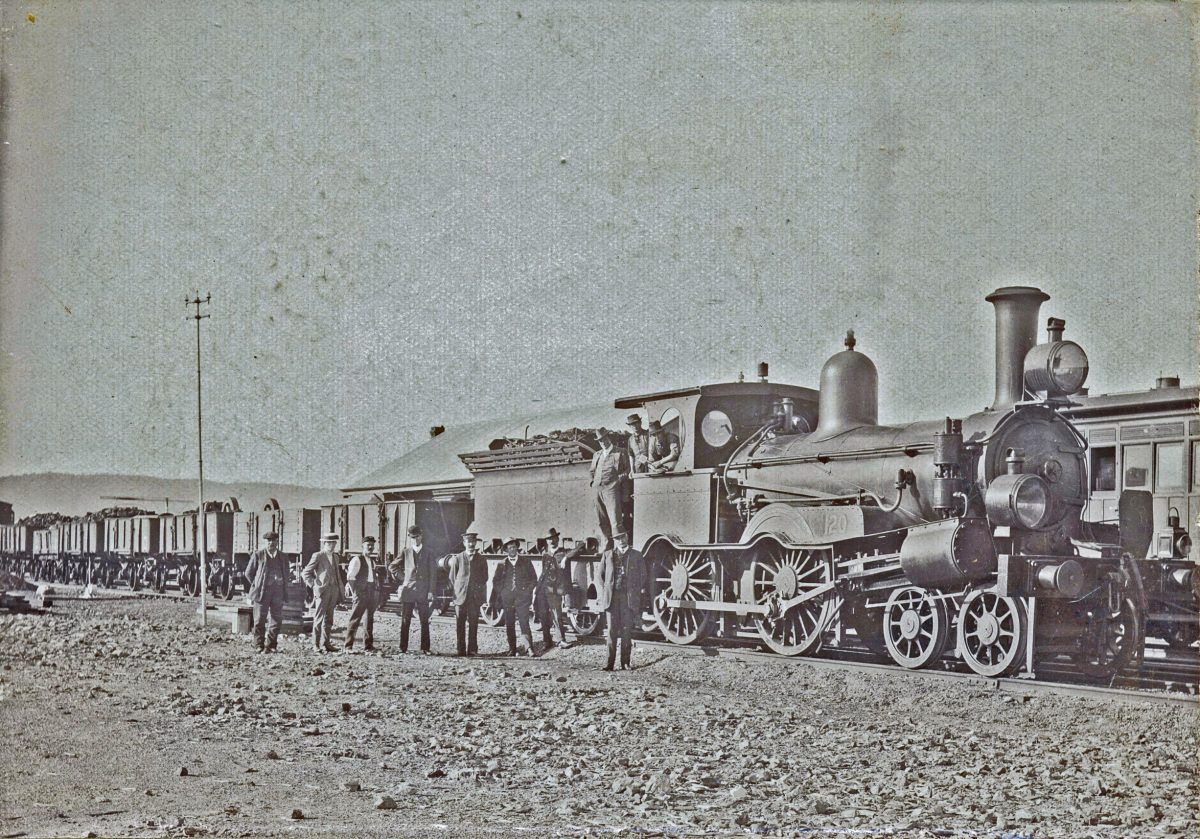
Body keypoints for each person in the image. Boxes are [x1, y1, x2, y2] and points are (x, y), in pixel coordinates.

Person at [596, 531, 645, 671]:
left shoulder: (636, 555)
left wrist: (634, 591)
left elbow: (643, 576)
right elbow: (600, 576)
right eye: (618, 538)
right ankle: (608, 664)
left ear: (627, 537)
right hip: (612, 598)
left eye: (623, 537)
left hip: (628, 599)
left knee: (626, 630)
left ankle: (625, 663)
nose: (621, 540)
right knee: (611, 631)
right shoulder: (607, 555)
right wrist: (608, 590)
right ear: (615, 540)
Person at [391, 525, 436, 654]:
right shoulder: (406, 552)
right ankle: (402, 647)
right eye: (412, 538)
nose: (415, 540)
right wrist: (404, 578)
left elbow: (433, 574)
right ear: (410, 538)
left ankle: (425, 648)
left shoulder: (428, 552)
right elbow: (392, 566)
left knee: (424, 620)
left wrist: (431, 591)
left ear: (421, 536)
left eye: (417, 537)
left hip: (423, 591)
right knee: (405, 620)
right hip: (408, 591)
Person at [490, 537, 537, 656]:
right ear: (506, 550)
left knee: (524, 622)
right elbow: (496, 581)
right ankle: (512, 649)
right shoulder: (502, 564)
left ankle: (529, 648)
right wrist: (502, 592)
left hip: (522, 598)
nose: (512, 550)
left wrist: (527, 591)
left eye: (514, 547)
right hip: (507, 599)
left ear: (517, 548)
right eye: (509, 548)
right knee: (509, 623)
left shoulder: (526, 562)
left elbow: (533, 579)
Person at [243, 532, 289, 653]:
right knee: (259, 619)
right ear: (265, 542)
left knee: (276, 619)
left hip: (278, 592)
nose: (271, 543)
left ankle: (271, 645)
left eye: (273, 541)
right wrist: (256, 584)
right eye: (268, 541)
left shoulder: (283, 557)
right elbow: (248, 573)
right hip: (262, 592)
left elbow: (287, 573)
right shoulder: (258, 555)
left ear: (277, 542)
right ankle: (258, 644)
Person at [446, 528, 488, 656]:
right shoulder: (458, 558)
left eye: (473, 541)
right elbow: (452, 577)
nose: (471, 544)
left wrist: (476, 587)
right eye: (468, 542)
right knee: (460, 623)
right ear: (464, 543)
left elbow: (484, 577)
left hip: (474, 597)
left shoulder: (481, 559)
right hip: (460, 596)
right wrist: (460, 589)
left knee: (474, 623)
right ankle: (460, 649)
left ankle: (473, 649)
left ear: (476, 543)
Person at [589, 429, 631, 550]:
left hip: (612, 489)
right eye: (600, 440)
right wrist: (593, 483)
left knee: (615, 520)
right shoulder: (597, 455)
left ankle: (619, 548)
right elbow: (592, 471)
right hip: (597, 490)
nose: (602, 442)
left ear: (609, 437)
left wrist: (618, 480)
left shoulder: (620, 452)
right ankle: (607, 547)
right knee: (601, 520)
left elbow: (628, 470)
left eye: (604, 439)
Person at [302, 532, 343, 653]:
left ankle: (326, 643)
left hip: (333, 590)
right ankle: (316, 645)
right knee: (319, 618)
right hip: (322, 591)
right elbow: (306, 573)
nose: (331, 545)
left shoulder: (336, 557)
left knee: (329, 619)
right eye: (329, 543)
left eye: (334, 543)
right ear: (324, 543)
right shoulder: (318, 555)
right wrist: (315, 586)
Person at [343, 535, 379, 652]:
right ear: (362, 546)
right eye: (368, 545)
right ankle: (348, 646)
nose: (370, 547)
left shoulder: (372, 561)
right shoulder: (357, 559)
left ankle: (368, 645)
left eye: (372, 545)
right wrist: (356, 592)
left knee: (369, 619)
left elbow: (373, 578)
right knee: (355, 618)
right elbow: (350, 577)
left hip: (370, 591)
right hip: (361, 592)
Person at [535, 545, 572, 650]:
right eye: (549, 539)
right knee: (543, 616)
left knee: (557, 615)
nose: (552, 541)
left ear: (557, 539)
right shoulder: (545, 555)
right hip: (543, 589)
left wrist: (566, 557)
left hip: (554, 590)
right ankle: (547, 641)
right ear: (547, 541)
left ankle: (561, 640)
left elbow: (580, 546)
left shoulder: (562, 553)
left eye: (554, 538)